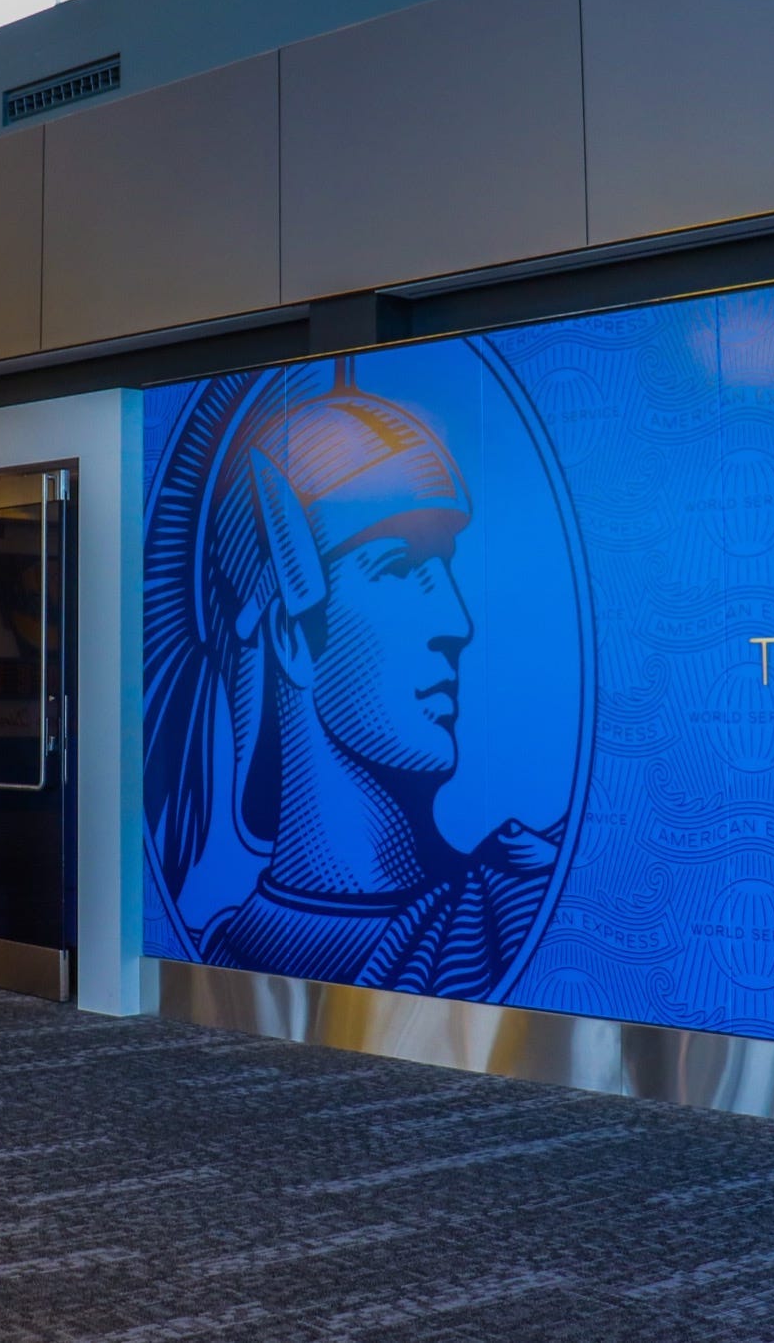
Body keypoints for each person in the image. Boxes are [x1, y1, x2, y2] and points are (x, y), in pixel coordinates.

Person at [146, 361, 563, 1000]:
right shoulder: (222, 950)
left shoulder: (510, 902)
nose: (458, 623)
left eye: (445, 569)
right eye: (403, 568)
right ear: (292, 637)